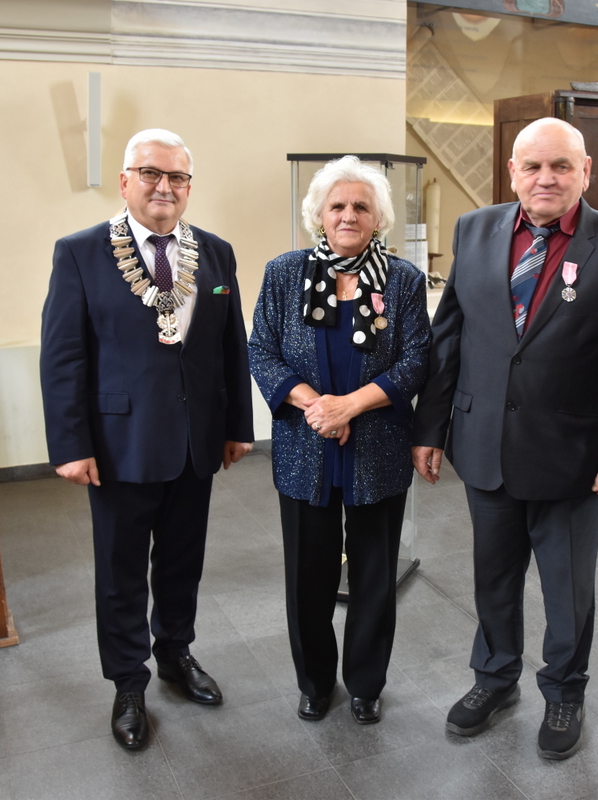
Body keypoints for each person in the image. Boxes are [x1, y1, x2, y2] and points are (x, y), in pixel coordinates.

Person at [412, 117, 598, 760]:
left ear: (585, 172)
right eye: (532, 166)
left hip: (573, 458)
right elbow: (450, 337)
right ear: (513, 171)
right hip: (483, 445)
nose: (546, 178)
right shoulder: (476, 228)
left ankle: (564, 690)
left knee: (567, 589)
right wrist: (430, 427)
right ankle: (493, 679)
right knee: (493, 577)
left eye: (561, 166)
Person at [40, 128, 254, 751]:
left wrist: (237, 425)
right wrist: (70, 444)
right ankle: (128, 683)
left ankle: (177, 657)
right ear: (125, 180)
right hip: (118, 443)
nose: (165, 187)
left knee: (183, 562)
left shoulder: (215, 253)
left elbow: (229, 347)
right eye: (152, 174)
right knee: (122, 571)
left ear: (190, 186)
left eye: (178, 177)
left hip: (196, 442)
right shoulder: (79, 253)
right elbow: (63, 357)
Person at [248, 155, 431, 725]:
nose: (349, 215)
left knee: (375, 578)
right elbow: (262, 350)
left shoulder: (402, 281)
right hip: (306, 450)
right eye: (338, 206)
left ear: (378, 219)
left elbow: (416, 358)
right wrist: (319, 408)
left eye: (361, 207)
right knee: (309, 577)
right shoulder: (284, 273)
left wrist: (352, 405)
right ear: (319, 216)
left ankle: (366, 684)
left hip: (376, 450)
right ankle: (314, 681)